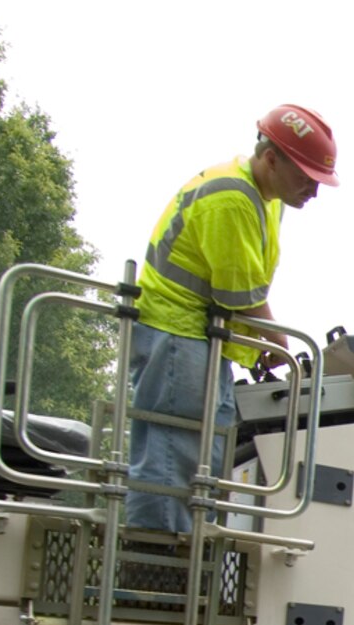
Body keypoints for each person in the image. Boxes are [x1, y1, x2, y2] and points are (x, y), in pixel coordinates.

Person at [124, 105, 339, 533]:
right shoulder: (233, 198)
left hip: (198, 337)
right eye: (306, 177)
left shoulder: (264, 195)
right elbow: (239, 295)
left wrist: (255, 344)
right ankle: (153, 561)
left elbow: (244, 285)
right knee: (171, 455)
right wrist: (278, 345)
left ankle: (178, 549)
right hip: (176, 334)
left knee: (199, 451)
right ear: (271, 158)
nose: (312, 191)